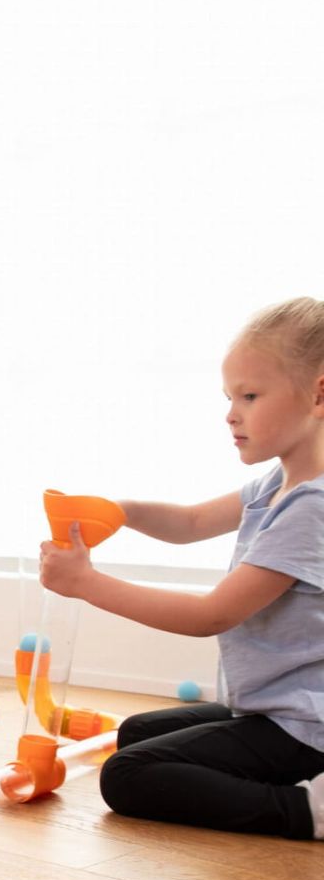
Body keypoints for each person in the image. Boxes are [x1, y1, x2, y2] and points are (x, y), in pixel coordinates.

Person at [40, 297, 324, 841]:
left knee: (128, 775)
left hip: (306, 728)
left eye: (250, 396)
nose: (231, 414)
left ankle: (305, 808)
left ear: (318, 395)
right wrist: (121, 512)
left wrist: (86, 584)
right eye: (229, 397)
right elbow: (191, 522)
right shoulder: (276, 485)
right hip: (271, 711)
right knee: (135, 733)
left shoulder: (311, 509)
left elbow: (209, 615)